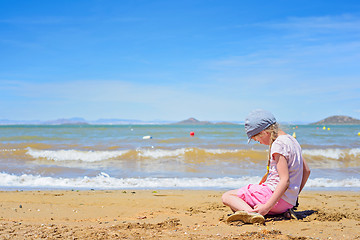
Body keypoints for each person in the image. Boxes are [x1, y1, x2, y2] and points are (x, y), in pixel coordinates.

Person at [222, 109, 311, 224]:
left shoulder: (278, 144)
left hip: (273, 198)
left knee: (228, 196)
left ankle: (253, 215)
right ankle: (274, 211)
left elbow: (285, 180)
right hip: (287, 203)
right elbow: (307, 170)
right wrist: (293, 197)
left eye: (256, 138)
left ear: (264, 132)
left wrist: (266, 208)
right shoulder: (293, 141)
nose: (257, 142)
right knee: (240, 202)